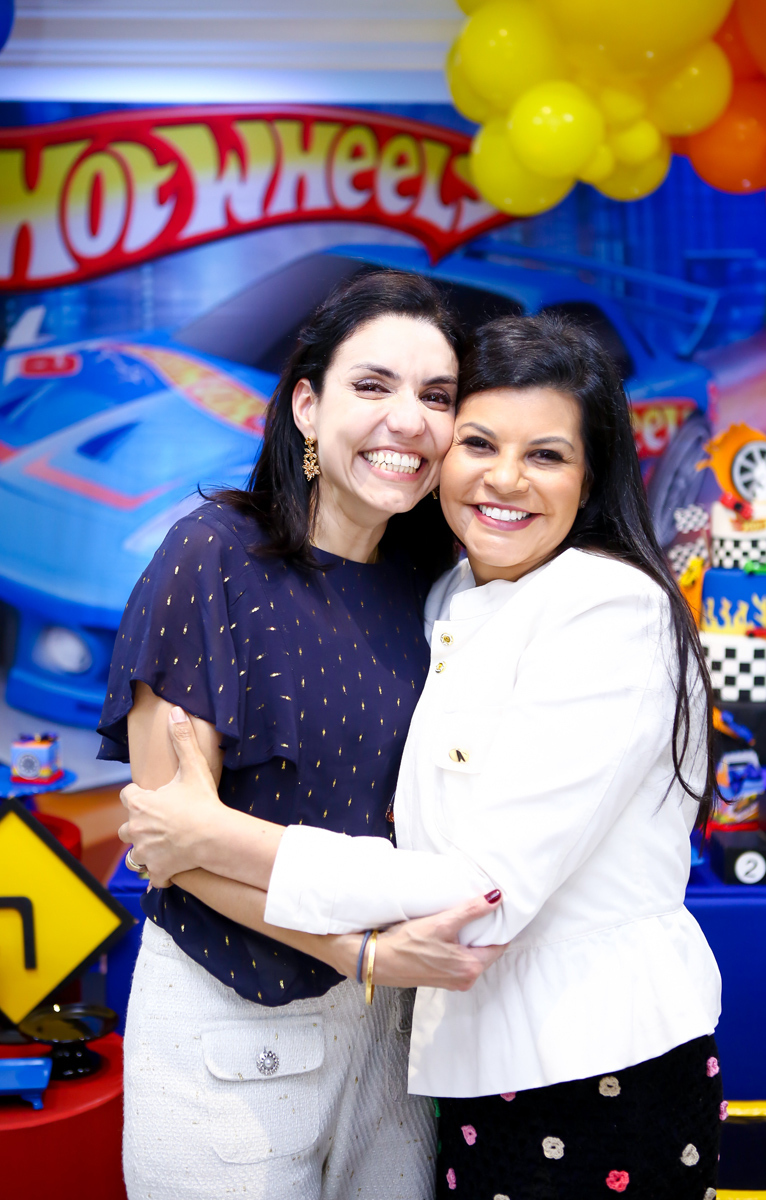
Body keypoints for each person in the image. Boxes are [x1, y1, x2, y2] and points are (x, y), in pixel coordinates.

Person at [122, 313, 724, 1199]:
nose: (505, 477)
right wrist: (342, 943)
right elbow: (164, 830)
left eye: (547, 454)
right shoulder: (433, 587)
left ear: (592, 477)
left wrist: (215, 837)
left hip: (588, 1065)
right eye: (479, 441)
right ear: (305, 405)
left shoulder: (604, 607)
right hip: (390, 1046)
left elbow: (484, 887)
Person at [98, 269, 507, 1200]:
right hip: (232, 1016)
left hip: (396, 1035)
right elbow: (171, 849)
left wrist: (378, 968)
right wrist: (353, 953)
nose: (408, 420)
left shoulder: (436, 587)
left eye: (436, 396)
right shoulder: (215, 554)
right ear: (308, 407)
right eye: (374, 385)